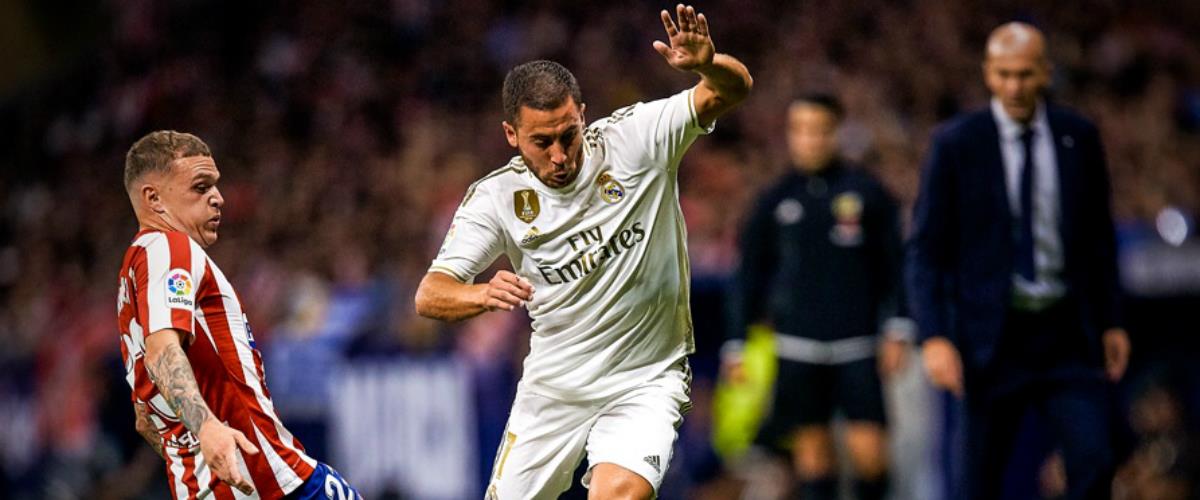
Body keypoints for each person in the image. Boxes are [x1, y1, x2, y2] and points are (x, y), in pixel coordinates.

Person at [413, 4, 751, 499]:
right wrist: (481, 294)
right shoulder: (496, 199)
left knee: (619, 494)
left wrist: (710, 65)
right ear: (511, 135)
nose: (559, 156)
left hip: (645, 377)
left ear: (582, 115)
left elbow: (732, 89)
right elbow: (430, 294)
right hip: (555, 388)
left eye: (568, 135)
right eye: (541, 142)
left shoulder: (636, 139)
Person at [906, 22, 1130, 499]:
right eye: (1003, 74)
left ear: (1045, 72)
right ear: (987, 73)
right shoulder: (956, 143)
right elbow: (926, 249)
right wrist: (934, 335)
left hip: (1067, 334)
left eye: (1025, 74)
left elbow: (1098, 238)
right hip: (990, 340)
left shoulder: (1078, 136)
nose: (1013, 86)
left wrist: (1112, 320)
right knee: (976, 481)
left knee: (1095, 459)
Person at [116, 130, 360, 500]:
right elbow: (163, 352)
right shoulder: (169, 248)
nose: (218, 198)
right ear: (154, 198)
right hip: (269, 483)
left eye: (215, 185)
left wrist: (197, 459)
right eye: (200, 187)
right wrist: (207, 429)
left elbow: (145, 419)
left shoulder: (132, 277)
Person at [722, 94, 909, 500]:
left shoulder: (868, 193)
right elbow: (749, 274)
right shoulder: (774, 199)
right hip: (797, 346)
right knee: (813, 456)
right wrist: (736, 342)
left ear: (837, 133)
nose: (810, 139)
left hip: (858, 344)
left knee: (870, 455)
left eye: (820, 130)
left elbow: (896, 264)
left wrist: (899, 326)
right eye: (801, 130)